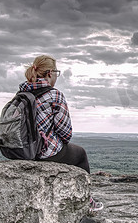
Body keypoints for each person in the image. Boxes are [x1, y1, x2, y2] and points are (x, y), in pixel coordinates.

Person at [20, 54, 103, 212]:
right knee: (80, 154)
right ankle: (87, 200)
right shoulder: (54, 95)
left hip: (23, 152)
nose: (56, 77)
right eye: (56, 73)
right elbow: (65, 133)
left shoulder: (22, 93)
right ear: (50, 73)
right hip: (43, 153)